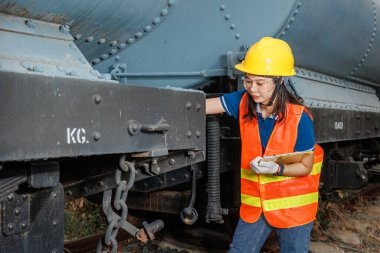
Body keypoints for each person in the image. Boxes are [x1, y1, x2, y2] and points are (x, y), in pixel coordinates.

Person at [206, 37, 324, 252]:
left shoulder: (300, 119)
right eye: (247, 80)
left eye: (260, 83)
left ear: (280, 82)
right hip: (256, 207)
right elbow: (202, 106)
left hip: (292, 208)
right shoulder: (242, 101)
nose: (252, 88)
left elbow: (306, 166)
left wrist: (277, 169)